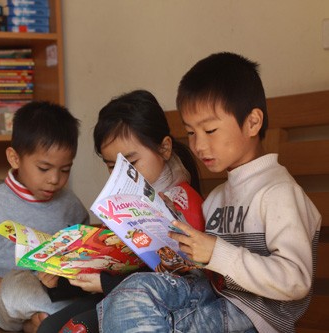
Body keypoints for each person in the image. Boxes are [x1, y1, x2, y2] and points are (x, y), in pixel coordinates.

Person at [98, 52, 322, 333]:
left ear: (252, 123)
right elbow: (202, 268)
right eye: (191, 133)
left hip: (254, 319)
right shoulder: (216, 198)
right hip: (214, 301)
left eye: (210, 130)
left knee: (134, 306)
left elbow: (295, 280)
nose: (198, 145)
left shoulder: (279, 193)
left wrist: (217, 252)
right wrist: (166, 220)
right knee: (134, 291)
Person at [37, 89, 206, 333]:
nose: (121, 174)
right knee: (48, 328)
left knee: (74, 329)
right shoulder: (123, 203)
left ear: (165, 148)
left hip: (158, 308)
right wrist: (63, 274)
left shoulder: (182, 203)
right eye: (111, 166)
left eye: (131, 163)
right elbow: (112, 260)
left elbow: (184, 283)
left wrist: (104, 284)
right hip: (114, 293)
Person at [0, 101, 90, 333]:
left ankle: (45, 322)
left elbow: (83, 249)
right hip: (13, 295)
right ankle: (44, 321)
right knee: (14, 286)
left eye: (65, 170)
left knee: (101, 291)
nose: (54, 179)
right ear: (14, 158)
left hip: (60, 292)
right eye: (44, 168)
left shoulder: (70, 204)